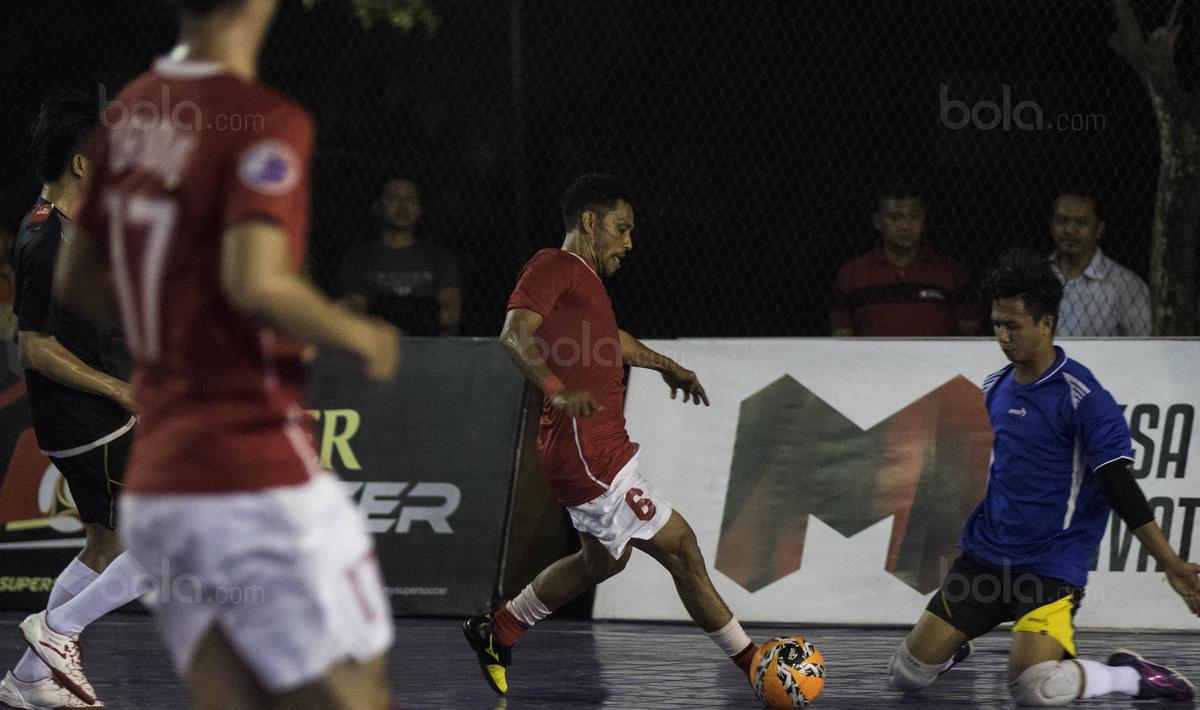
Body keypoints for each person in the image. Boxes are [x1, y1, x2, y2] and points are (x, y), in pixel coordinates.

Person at [53, 1, 402, 708]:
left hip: (162, 479)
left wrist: (174, 331)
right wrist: (358, 333)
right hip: (251, 470)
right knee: (356, 690)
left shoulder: (137, 111)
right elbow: (256, 282)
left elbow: (79, 278)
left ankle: (55, 632)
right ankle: (56, 630)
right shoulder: (264, 119)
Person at [464, 174, 758, 698]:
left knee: (605, 559)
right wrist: (555, 387)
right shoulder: (554, 265)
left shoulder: (586, 283)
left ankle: (499, 630)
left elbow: (610, 340)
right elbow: (513, 333)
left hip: (594, 448)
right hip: (587, 450)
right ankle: (755, 663)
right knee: (682, 549)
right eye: (622, 229)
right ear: (589, 222)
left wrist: (664, 363)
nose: (629, 243)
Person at [886, 250, 1200, 706]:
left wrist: (1169, 560)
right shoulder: (994, 388)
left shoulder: (1084, 397)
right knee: (905, 674)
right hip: (986, 560)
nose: (1002, 336)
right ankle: (953, 644)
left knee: (1036, 689)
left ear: (1046, 323)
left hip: (1049, 568)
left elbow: (1118, 485)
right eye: (996, 324)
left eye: (1013, 326)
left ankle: (1126, 675)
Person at [0, 89, 143, 710]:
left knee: (106, 546)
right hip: (95, 425)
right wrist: (118, 387)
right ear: (82, 164)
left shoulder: (81, 227)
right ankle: (59, 631)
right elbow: (32, 347)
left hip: (99, 418)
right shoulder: (44, 240)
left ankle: (30, 678)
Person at [831, 183, 981, 336]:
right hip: (871, 360)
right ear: (877, 221)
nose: (905, 226)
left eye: (914, 217)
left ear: (924, 219)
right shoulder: (853, 273)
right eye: (895, 217)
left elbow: (970, 333)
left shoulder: (951, 273)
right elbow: (841, 334)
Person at [336, 176, 463, 335]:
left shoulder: (439, 259)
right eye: (393, 198)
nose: (402, 206)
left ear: (418, 209)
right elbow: (354, 311)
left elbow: (449, 316)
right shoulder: (359, 258)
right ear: (378, 206)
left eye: (409, 199)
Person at [1049, 191, 1151, 336]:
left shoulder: (1126, 285)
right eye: (1062, 220)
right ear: (1051, 225)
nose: (1070, 230)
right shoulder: (1036, 276)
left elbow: (1144, 345)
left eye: (1081, 222)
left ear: (1099, 229)